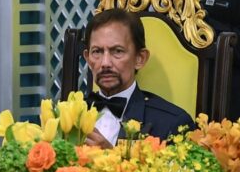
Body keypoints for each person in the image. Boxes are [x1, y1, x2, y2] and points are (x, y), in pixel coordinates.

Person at [82, 8, 193, 147]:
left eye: (117, 51)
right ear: (88, 59)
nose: (105, 63)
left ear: (140, 59)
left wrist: (109, 155)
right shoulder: (68, 116)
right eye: (97, 51)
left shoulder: (173, 123)